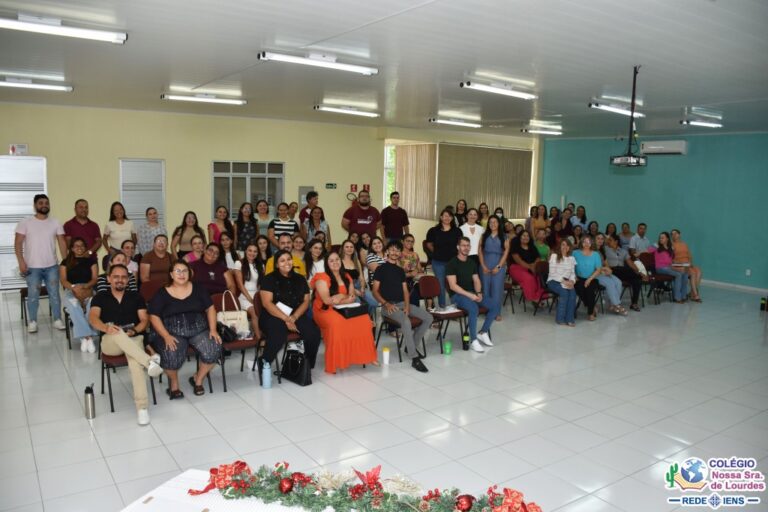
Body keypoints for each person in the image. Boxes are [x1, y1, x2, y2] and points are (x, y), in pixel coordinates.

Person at [89, 264, 163, 425]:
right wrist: (106, 328)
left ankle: (142, 409)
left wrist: (134, 330)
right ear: (109, 279)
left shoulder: (136, 297)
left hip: (133, 338)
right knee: (117, 333)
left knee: (135, 361)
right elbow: (93, 318)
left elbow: (144, 320)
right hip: (110, 343)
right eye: (116, 276)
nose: (120, 280)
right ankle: (149, 361)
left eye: (123, 277)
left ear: (128, 279)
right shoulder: (100, 297)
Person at [149, 260, 222, 398]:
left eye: (185, 271)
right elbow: (153, 316)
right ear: (171, 274)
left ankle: (198, 379)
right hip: (172, 332)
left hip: (198, 329)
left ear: (189, 273)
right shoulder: (162, 292)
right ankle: (174, 384)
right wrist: (165, 336)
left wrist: (213, 329)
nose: (181, 274)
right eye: (178, 271)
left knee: (214, 347)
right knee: (171, 353)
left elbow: (210, 308)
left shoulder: (199, 288)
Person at [312, 251, 378, 374]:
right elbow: (327, 301)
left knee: (364, 320)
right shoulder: (321, 278)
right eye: (331, 261)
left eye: (337, 259)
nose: (335, 262)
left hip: (345, 307)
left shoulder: (346, 276)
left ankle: (369, 356)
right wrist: (343, 298)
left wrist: (341, 296)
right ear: (327, 264)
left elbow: (352, 296)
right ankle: (336, 361)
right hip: (324, 310)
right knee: (337, 323)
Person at [258, 250, 321, 376]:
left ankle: (306, 363)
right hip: (273, 315)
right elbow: (267, 303)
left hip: (295, 314)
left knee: (313, 333)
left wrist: (294, 317)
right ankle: (264, 361)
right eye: (282, 260)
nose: (287, 262)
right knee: (279, 334)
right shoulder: (269, 279)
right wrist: (286, 319)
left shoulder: (300, 278)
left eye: (289, 259)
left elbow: (306, 301)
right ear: (276, 264)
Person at [371, 241, 431, 373]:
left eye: (397, 250)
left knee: (428, 318)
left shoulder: (400, 271)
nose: (394, 252)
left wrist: (408, 306)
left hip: (403, 304)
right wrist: (386, 304)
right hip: (388, 306)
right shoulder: (380, 269)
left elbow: (405, 291)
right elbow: (375, 291)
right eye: (391, 250)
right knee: (405, 321)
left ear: (399, 253)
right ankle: (414, 357)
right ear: (387, 252)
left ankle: (411, 346)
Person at [14, 194, 68, 333]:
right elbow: (18, 243)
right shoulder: (25, 222)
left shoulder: (55, 222)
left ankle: (57, 319)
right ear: (35, 205)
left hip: (52, 267)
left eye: (46, 203)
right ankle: (32, 321)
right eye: (40, 203)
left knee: (55, 294)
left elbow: (62, 242)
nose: (44, 205)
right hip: (32, 268)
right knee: (33, 295)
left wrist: (66, 261)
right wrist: (21, 262)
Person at [446, 237, 499, 352]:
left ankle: (483, 332)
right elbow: (453, 286)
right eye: (463, 245)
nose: (466, 248)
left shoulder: (471, 262)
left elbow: (476, 280)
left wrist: (479, 293)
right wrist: (470, 295)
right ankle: (473, 340)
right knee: (474, 308)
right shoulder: (451, 263)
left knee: (495, 305)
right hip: (457, 296)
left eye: (468, 245)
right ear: (458, 247)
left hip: (472, 293)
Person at [60, 237, 99, 351]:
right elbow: (63, 280)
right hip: (71, 289)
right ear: (72, 248)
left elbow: (95, 278)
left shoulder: (91, 261)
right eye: (76, 246)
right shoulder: (65, 262)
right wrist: (73, 287)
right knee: (74, 306)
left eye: (82, 245)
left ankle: (84, 336)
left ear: (85, 248)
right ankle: (88, 337)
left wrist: (86, 286)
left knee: (92, 306)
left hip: (88, 288)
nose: (79, 248)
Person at [425, 209, 462, 309]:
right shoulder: (433, 230)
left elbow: (460, 245)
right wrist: (436, 252)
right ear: (441, 217)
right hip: (438, 262)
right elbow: (428, 244)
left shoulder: (457, 231)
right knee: (441, 286)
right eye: (445, 215)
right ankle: (442, 307)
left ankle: (455, 307)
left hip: (453, 262)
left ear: (452, 218)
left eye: (449, 216)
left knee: (453, 285)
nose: (447, 218)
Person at [478, 215, 509, 322]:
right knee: (485, 289)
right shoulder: (484, 236)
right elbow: (480, 252)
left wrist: (499, 267)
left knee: (497, 290)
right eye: (490, 222)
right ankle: (487, 311)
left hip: (499, 265)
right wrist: (483, 266)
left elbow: (506, 253)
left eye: (495, 222)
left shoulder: (504, 236)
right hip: (485, 264)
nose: (493, 224)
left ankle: (496, 312)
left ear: (499, 223)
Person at [604, 234, 645, 311]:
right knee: (626, 270)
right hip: (612, 271)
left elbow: (631, 263)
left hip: (623, 273)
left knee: (637, 281)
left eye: (610, 240)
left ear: (616, 241)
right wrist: (638, 273)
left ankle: (634, 303)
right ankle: (638, 275)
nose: (608, 242)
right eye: (608, 240)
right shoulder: (605, 249)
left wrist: (639, 271)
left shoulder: (623, 251)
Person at [233, 241, 263, 340]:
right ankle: (260, 340)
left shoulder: (260, 265)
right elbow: (240, 285)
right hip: (244, 296)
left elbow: (260, 285)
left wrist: (260, 298)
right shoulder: (239, 263)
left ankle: (262, 333)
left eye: (255, 251)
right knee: (254, 311)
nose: (252, 253)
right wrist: (251, 299)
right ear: (245, 251)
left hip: (256, 295)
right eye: (250, 250)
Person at [649, 231, 689, 303]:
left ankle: (683, 296)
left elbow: (670, 261)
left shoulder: (670, 248)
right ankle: (677, 297)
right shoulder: (657, 246)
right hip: (660, 268)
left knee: (685, 273)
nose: (661, 239)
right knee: (678, 274)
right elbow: (648, 250)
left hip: (668, 267)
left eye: (662, 238)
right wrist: (655, 245)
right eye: (660, 238)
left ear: (667, 239)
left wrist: (677, 263)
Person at [594, 233, 628, 315]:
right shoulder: (592, 250)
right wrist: (603, 270)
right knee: (610, 283)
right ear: (594, 240)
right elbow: (592, 266)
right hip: (595, 273)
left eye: (602, 239)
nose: (600, 240)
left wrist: (609, 270)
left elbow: (606, 264)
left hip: (603, 272)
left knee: (618, 282)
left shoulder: (602, 250)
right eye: (598, 238)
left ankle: (611, 304)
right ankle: (617, 305)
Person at [509, 230, 545, 304]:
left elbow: (538, 258)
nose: (525, 237)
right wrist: (530, 267)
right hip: (517, 268)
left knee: (539, 277)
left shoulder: (532, 246)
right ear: (520, 237)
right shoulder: (515, 247)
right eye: (523, 235)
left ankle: (539, 296)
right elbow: (518, 260)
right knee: (529, 278)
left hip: (532, 267)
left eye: (527, 236)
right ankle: (533, 298)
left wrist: (534, 265)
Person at [341, 239, 378, 313]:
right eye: (347, 247)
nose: (349, 249)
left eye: (351, 247)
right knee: (358, 304)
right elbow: (341, 280)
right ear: (343, 249)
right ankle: (363, 320)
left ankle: (367, 318)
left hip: (358, 285)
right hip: (347, 287)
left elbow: (361, 277)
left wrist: (362, 288)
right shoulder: (339, 261)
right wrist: (354, 291)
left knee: (374, 303)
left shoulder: (356, 261)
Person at [547, 239, 578, 326]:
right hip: (554, 281)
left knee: (572, 293)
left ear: (569, 247)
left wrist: (572, 281)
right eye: (563, 245)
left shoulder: (572, 258)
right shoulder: (554, 256)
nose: (565, 247)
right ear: (559, 246)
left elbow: (572, 273)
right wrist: (564, 282)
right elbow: (552, 273)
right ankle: (560, 319)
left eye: (567, 245)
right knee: (564, 292)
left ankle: (569, 319)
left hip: (567, 281)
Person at [572, 236, 603, 321]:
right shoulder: (575, 253)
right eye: (584, 242)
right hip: (578, 278)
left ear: (591, 243)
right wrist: (574, 275)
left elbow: (598, 269)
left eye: (588, 242)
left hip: (592, 278)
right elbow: (570, 265)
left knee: (589, 290)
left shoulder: (596, 254)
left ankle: (590, 313)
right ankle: (592, 307)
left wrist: (589, 279)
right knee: (580, 288)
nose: (586, 244)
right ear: (581, 243)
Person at [671, 229, 702, 302]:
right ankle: (695, 295)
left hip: (687, 263)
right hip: (680, 264)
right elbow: (672, 258)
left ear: (679, 234)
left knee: (699, 271)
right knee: (693, 273)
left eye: (675, 233)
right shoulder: (672, 245)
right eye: (672, 234)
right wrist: (682, 264)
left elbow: (689, 255)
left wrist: (690, 263)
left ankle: (691, 293)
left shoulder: (684, 244)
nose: (674, 235)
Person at [399, 234, 425, 307]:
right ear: (402, 241)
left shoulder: (415, 254)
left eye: (412, 241)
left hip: (414, 278)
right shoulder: (398, 254)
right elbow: (397, 271)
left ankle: (429, 307)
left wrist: (419, 270)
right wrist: (409, 272)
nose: (410, 243)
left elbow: (419, 268)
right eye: (408, 241)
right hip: (403, 278)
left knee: (425, 282)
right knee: (413, 288)